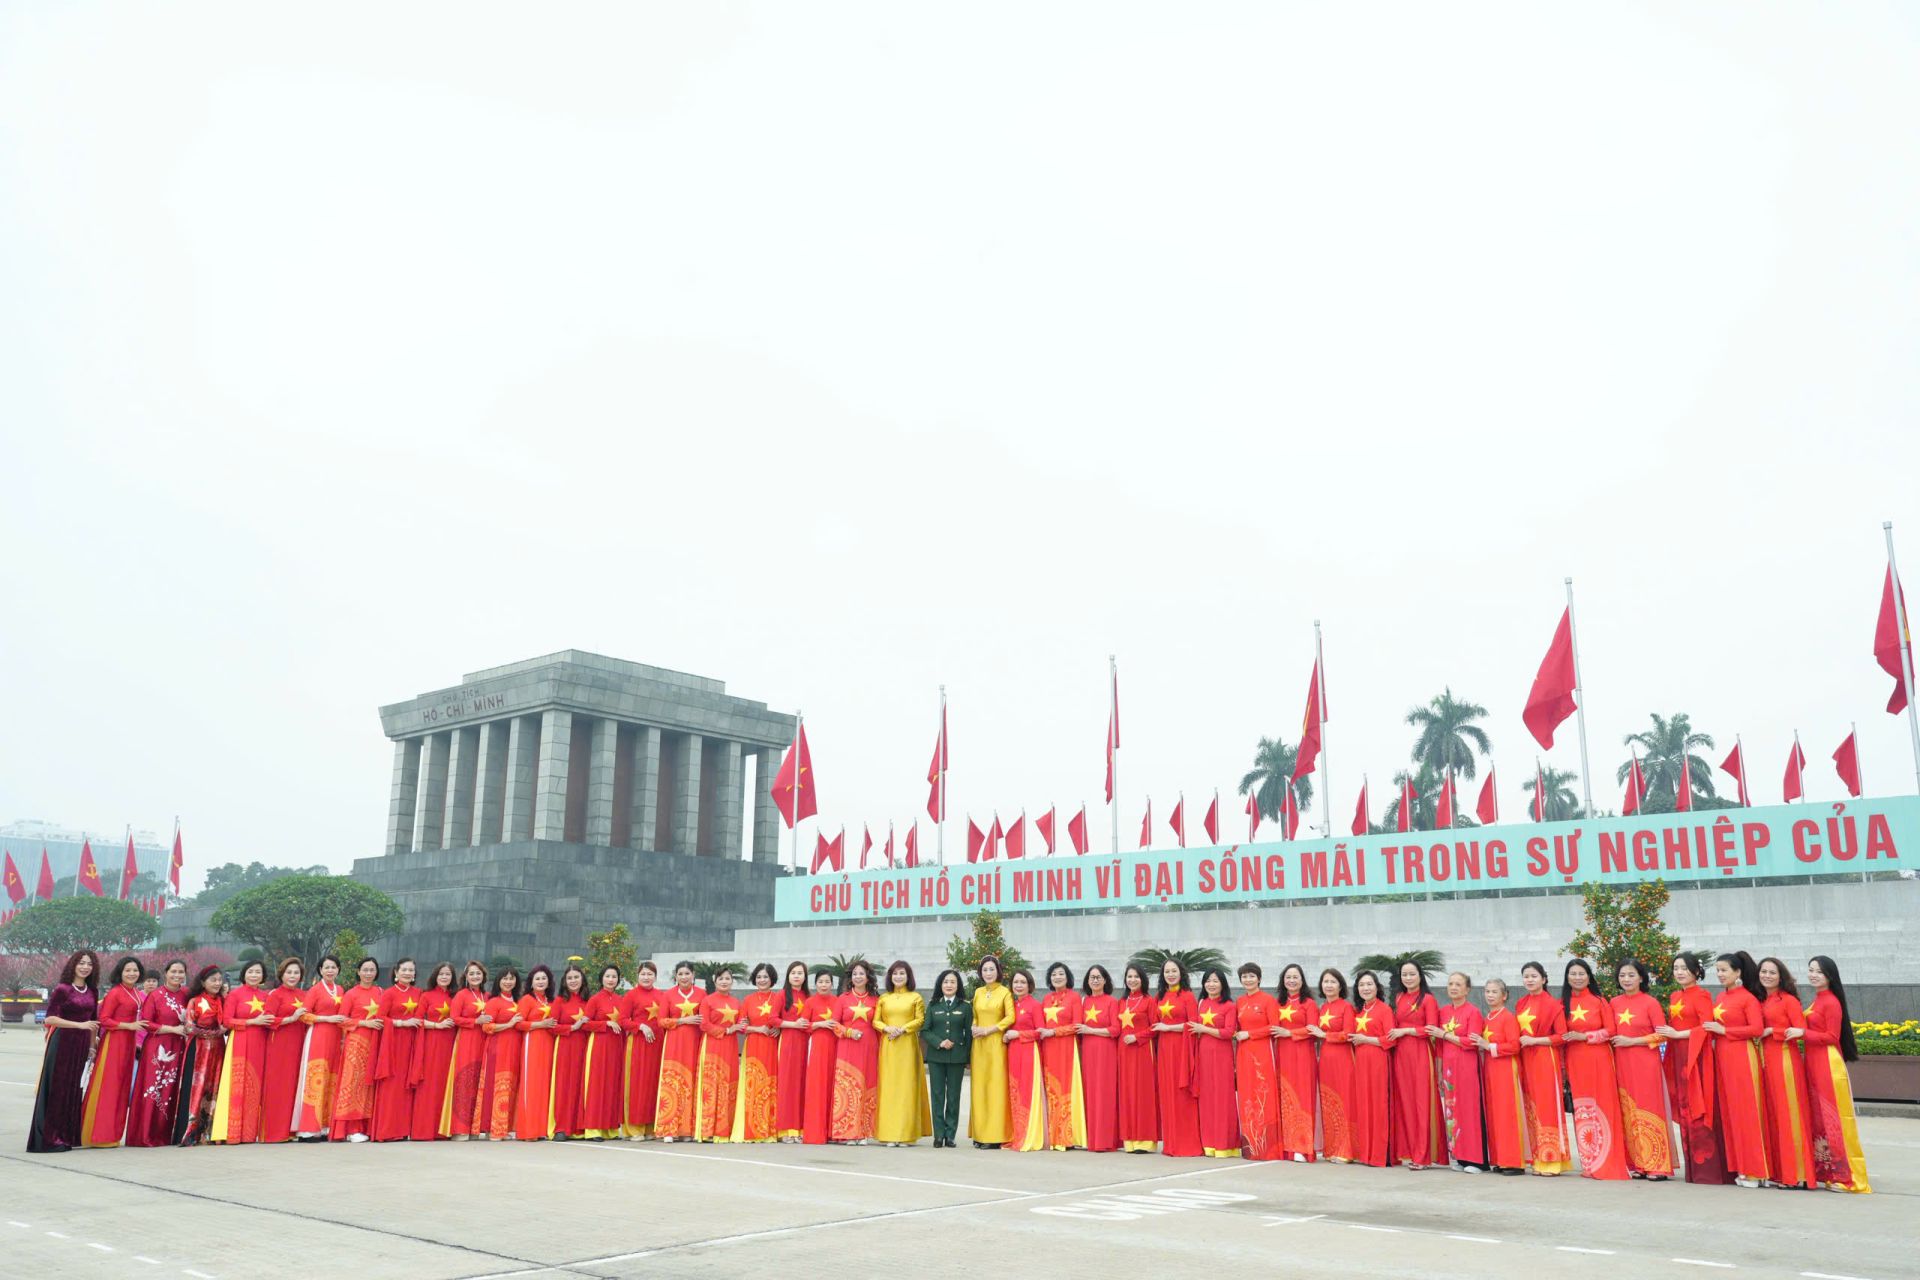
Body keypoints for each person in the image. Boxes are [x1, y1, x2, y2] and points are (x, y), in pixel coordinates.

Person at [1658, 953, 1729, 1184]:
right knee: (1686, 1108)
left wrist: (1679, 1034)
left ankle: (1708, 1170)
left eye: (1684, 968)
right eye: (1675, 968)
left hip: (1696, 1056)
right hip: (1679, 1055)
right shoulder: (1674, 995)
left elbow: (1706, 1027)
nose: (1679, 972)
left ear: (1696, 972)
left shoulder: (1702, 995)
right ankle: (1693, 1171)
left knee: (1700, 1106)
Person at [1803, 956, 1871, 1193]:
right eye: (1810, 970)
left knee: (1836, 1120)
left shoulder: (1830, 1002)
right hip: (1814, 1062)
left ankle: (1848, 1177)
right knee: (1821, 1119)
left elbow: (1831, 1037)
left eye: (1818, 972)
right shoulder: (1818, 999)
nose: (1813, 975)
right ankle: (1830, 1172)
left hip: (1827, 1063)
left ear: (1829, 975)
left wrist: (1801, 1032)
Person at [1705, 951, 1771, 1187]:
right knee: (1732, 1114)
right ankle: (1742, 1166)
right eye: (1718, 970)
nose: (1720, 974)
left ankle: (1756, 1169)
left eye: (1724, 970)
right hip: (1723, 1058)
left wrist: (1724, 1031)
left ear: (1738, 972)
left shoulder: (1747, 998)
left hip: (1742, 1057)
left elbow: (1756, 1028)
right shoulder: (1721, 997)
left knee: (1747, 1112)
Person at [1560, 958, 1628, 1180]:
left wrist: (1585, 1036)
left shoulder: (1599, 1001)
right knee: (1583, 1110)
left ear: (1589, 976)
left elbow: (1610, 1030)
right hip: (1575, 1061)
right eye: (1573, 973)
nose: (1577, 977)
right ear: (1567, 977)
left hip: (1599, 1059)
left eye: (1582, 973)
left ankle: (1607, 1161)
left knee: (1603, 1107)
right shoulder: (1562, 1003)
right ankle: (1589, 1163)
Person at [27, 950, 100, 1153]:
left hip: (82, 1046)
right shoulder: (63, 989)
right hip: (62, 1044)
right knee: (57, 1091)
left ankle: (66, 1136)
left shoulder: (93, 991)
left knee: (73, 1091)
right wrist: (80, 1025)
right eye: (81, 963)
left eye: (89, 964)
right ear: (73, 965)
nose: (85, 967)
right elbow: (50, 1019)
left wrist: (92, 1047)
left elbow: (93, 1024)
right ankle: (49, 1138)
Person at [1608, 959, 1673, 1179]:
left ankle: (1658, 1165)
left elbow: (1662, 1034)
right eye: (1622, 975)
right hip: (1622, 1063)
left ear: (1642, 978)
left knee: (1649, 1108)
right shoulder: (1614, 1003)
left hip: (1646, 1063)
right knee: (1629, 1110)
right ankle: (1638, 1163)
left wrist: (1632, 1041)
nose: (1626, 979)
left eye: (1631, 975)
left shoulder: (1650, 1003)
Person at [1756, 956, 1816, 1190]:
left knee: (1790, 1114)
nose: (1767, 976)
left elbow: (1800, 1030)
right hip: (1766, 1062)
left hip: (1784, 1060)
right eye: (1763, 972)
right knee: (1775, 1117)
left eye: (1772, 972)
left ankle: (1798, 1174)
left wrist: (1772, 1030)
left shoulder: (1788, 1000)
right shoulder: (1762, 1000)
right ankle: (1782, 1172)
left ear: (1781, 976)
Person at [80, 956, 147, 1148]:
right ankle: (99, 1135)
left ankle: (113, 1134)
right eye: (128, 970)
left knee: (122, 1089)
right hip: (114, 1042)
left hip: (128, 1042)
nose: (132, 973)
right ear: (120, 972)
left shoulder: (135, 992)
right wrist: (130, 1025)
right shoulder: (115, 993)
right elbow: (105, 1020)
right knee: (109, 1088)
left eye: (135, 970)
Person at [125, 959, 191, 1148]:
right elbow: (147, 1023)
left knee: (169, 1090)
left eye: (181, 972)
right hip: (157, 1047)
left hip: (178, 1048)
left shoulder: (187, 995)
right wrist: (172, 1029)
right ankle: (144, 1135)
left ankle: (163, 1135)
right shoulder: (156, 995)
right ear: (166, 973)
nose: (177, 975)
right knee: (152, 1089)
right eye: (173, 972)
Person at [1514, 960, 1570, 1175]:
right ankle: (1537, 1157)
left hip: (1545, 1058)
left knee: (1547, 1106)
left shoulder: (1553, 1005)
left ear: (1544, 979)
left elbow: (1561, 1036)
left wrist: (1536, 1041)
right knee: (1531, 1107)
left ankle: (1551, 1160)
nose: (1529, 980)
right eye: (1526, 976)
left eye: (1534, 976)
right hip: (1526, 1059)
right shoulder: (1521, 1003)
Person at [1388, 961, 1445, 1171]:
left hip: (1421, 1054)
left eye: (1412, 974)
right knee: (1407, 1104)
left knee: (1422, 1103)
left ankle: (1423, 1155)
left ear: (1420, 976)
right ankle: (1411, 1151)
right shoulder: (1399, 998)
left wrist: (1406, 1031)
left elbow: (1431, 1029)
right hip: (1401, 1055)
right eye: (1404, 974)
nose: (1408, 978)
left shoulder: (1428, 999)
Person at [1427, 971, 1485, 1172]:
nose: (1453, 987)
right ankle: (1459, 1156)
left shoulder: (1473, 1012)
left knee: (1468, 1110)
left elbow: (1472, 1041)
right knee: (1452, 1111)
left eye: (1458, 984)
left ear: (1467, 989)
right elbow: (1440, 1045)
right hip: (1449, 1070)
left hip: (1467, 1067)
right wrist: (1439, 1067)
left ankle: (1476, 1159)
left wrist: (1445, 1034)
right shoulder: (1443, 1012)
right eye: (1451, 984)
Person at [212, 959, 274, 1144]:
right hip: (240, 1042)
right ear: (244, 974)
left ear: (263, 976)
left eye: (258, 972)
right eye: (251, 972)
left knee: (256, 1085)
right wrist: (252, 1022)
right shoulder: (235, 995)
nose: (254, 975)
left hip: (261, 1044)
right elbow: (227, 1021)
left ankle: (250, 1132)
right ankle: (233, 1132)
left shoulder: (266, 996)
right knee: (238, 1086)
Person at [1471, 978, 1527, 1174]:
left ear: (1504, 995)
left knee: (1507, 1114)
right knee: (1494, 1114)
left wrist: (1488, 1046)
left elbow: (1514, 1046)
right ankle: (1499, 1158)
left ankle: (1514, 1161)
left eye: (1495, 992)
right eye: (1487, 991)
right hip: (1491, 1069)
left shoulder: (1508, 1017)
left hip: (1505, 1069)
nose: (1490, 995)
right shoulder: (1489, 1017)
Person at [874, 960, 931, 1146]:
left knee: (907, 1087)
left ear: (908, 977)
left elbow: (920, 1020)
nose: (898, 977)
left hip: (907, 1045)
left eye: (902, 973)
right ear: (890, 977)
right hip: (889, 1045)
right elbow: (876, 1021)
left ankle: (906, 1134)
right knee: (889, 1087)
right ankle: (889, 1133)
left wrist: (903, 1029)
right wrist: (887, 1028)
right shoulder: (884, 998)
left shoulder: (915, 997)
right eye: (895, 973)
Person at [294, 956, 348, 1140]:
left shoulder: (340, 989)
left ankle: (325, 1126)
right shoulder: (315, 990)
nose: (330, 970)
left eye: (334, 967)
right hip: (318, 1035)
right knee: (316, 1077)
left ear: (338, 970)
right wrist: (326, 1019)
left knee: (332, 1078)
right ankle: (309, 1128)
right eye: (327, 967)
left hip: (335, 1037)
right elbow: (304, 1015)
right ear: (320, 970)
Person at [1231, 962, 1281, 1161]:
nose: (1248, 980)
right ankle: (1251, 1147)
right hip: (1244, 1053)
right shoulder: (1240, 1001)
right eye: (1244, 977)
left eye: (1251, 976)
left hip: (1262, 1052)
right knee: (1246, 1095)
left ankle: (1268, 1148)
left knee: (1264, 1094)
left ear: (1259, 978)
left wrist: (1249, 1034)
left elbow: (1274, 1027)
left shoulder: (1268, 1000)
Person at [1151, 958, 1201, 1157]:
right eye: (1166, 972)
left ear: (1181, 973)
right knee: (1167, 1094)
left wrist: (1169, 1027)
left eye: (1174, 971)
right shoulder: (1160, 997)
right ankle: (1170, 1144)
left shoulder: (1188, 996)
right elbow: (1153, 1024)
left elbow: (1193, 1024)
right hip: (1164, 1049)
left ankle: (1186, 1144)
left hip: (1181, 1048)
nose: (1170, 975)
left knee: (1182, 1095)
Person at [174, 965, 228, 1146]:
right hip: (198, 1049)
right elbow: (190, 1026)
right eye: (213, 980)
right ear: (203, 982)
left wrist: (222, 1031)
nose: (217, 983)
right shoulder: (195, 1001)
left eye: (220, 980)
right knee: (196, 1088)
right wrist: (216, 1032)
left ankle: (210, 1132)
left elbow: (228, 1022)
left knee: (215, 1086)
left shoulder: (223, 1001)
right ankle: (190, 1132)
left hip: (219, 1049)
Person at [330, 957, 383, 1141]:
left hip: (375, 1043)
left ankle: (366, 1126)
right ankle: (351, 1129)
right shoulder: (351, 994)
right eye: (365, 970)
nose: (368, 973)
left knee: (369, 1086)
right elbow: (342, 1020)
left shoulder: (380, 992)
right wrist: (364, 1022)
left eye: (372, 970)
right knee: (353, 1084)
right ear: (358, 972)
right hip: (356, 1042)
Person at [371, 958, 424, 1141]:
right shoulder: (389, 993)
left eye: (411, 970)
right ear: (396, 972)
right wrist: (402, 1022)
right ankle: (386, 1131)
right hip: (393, 1043)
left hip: (412, 1043)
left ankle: (402, 1130)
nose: (408, 973)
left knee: (406, 1087)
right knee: (391, 1086)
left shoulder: (419, 993)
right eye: (404, 970)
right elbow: (380, 1018)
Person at [731, 963, 784, 1143]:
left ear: (772, 979)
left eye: (766, 977)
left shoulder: (779, 998)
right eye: (759, 977)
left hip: (773, 1046)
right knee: (753, 1086)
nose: (762, 980)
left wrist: (780, 1030)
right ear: (755, 978)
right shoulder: (748, 1000)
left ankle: (771, 1130)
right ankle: (752, 1129)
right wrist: (758, 1029)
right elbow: (741, 1025)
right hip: (754, 1045)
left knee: (772, 1086)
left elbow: (784, 1021)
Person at [258, 957, 310, 1144]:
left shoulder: (304, 995)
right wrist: (291, 1018)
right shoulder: (275, 995)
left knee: (294, 1086)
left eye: (296, 973)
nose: (293, 976)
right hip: (279, 1044)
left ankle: (291, 1129)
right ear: (282, 974)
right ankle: (274, 1132)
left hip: (300, 1043)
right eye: (289, 972)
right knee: (278, 1086)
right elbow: (268, 1020)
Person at [1308, 968, 1356, 1163]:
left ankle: (1346, 1151)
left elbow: (1349, 1034)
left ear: (1340, 985)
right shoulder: (1323, 1008)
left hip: (1343, 1058)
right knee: (1328, 1102)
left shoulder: (1346, 1007)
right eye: (1325, 981)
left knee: (1344, 1101)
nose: (1328, 985)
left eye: (1333, 982)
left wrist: (1324, 1035)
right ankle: (1331, 1149)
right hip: (1325, 1059)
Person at [653, 962, 705, 1141]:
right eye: (680, 974)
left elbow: (705, 1018)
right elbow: (661, 1021)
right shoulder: (668, 995)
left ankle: (687, 1130)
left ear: (693, 974)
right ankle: (669, 1129)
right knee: (673, 1082)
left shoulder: (701, 994)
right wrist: (684, 1020)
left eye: (687, 973)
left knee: (691, 1082)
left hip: (695, 1042)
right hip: (674, 1043)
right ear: (676, 976)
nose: (684, 977)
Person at [829, 960, 879, 1143]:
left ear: (868, 977)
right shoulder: (842, 998)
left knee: (867, 1086)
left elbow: (879, 1025)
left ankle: (864, 1132)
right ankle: (848, 1132)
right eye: (855, 974)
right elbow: (834, 1024)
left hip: (869, 1047)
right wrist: (848, 1032)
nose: (858, 977)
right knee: (848, 1087)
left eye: (861, 973)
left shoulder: (876, 1000)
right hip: (847, 1048)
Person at [1273, 963, 1319, 1162]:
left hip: (1302, 1055)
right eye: (1288, 977)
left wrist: (1289, 1033)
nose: (1291, 981)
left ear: (1302, 981)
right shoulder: (1278, 1003)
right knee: (1285, 1099)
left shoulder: (1308, 1003)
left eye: (1295, 977)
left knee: (1302, 1098)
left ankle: (1302, 1146)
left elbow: (1313, 1030)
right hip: (1282, 1054)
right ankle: (1286, 1147)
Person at [1192, 968, 1240, 1159]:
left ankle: (1225, 1145)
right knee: (1207, 1099)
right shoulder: (1201, 1003)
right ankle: (1209, 1143)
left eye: (1215, 981)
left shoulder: (1229, 1005)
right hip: (1203, 1055)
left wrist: (1204, 1028)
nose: (1211, 984)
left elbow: (1229, 1032)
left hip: (1221, 1056)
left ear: (1223, 984)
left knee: (1223, 1098)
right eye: (1208, 981)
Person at [1348, 970, 1394, 1168]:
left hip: (1377, 1061)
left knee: (1378, 1105)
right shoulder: (1358, 1011)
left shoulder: (1384, 1010)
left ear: (1377, 987)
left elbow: (1390, 1039)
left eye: (1369, 984)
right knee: (1363, 1105)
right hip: (1360, 1063)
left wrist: (1366, 1040)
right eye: (1361, 985)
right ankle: (1365, 1153)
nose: (1365, 988)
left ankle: (1379, 1154)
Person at [1038, 962, 1086, 1150]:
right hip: (1049, 1049)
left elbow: (1077, 1025)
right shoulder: (1046, 998)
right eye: (1054, 975)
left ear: (1068, 977)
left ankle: (1068, 1137)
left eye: (1061, 974)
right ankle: (1053, 1136)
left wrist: (1054, 1032)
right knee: (1051, 1090)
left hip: (1066, 1048)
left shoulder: (1074, 997)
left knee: (1067, 1089)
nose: (1057, 977)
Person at [968, 955, 1015, 1148]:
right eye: (985, 970)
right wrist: (974, 1027)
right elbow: (975, 1016)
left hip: (996, 1044)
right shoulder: (978, 992)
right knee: (979, 1088)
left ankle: (995, 1136)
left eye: (991, 969)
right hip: (979, 1045)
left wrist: (990, 1029)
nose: (988, 973)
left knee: (995, 1088)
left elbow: (1010, 1017)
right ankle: (980, 1134)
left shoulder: (1005, 992)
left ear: (998, 971)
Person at [409, 962, 459, 1141]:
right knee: (429, 1085)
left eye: (448, 974)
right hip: (432, 1044)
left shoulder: (456, 997)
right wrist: (437, 1025)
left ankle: (443, 1129)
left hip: (451, 1045)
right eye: (441, 974)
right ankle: (424, 1130)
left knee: (446, 1084)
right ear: (435, 976)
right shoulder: (427, 996)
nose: (445, 977)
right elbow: (418, 1020)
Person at [443, 961, 492, 1139]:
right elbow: (454, 1018)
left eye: (478, 973)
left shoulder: (487, 996)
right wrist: (474, 1022)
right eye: (472, 974)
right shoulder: (461, 995)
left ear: (483, 976)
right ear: (466, 977)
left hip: (484, 1040)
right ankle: (460, 1129)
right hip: (467, 1040)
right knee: (465, 1081)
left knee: (481, 1082)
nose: (475, 977)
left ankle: (476, 1127)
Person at [923, 969, 971, 1148]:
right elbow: (925, 1030)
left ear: (957, 986)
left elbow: (969, 1035)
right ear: (940, 985)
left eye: (952, 982)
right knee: (937, 1096)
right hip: (936, 1057)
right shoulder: (933, 1005)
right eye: (945, 982)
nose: (949, 985)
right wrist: (939, 1042)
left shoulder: (965, 1006)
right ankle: (938, 1135)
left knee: (953, 1097)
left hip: (957, 1058)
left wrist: (968, 1057)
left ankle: (950, 1135)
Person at [617, 961, 665, 1139]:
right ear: (638, 976)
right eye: (643, 974)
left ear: (655, 976)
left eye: (650, 974)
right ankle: (633, 1128)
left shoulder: (661, 995)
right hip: (638, 1045)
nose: (646, 977)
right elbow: (623, 1020)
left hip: (657, 1046)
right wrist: (640, 1027)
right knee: (637, 1085)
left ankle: (650, 1127)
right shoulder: (631, 995)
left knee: (653, 1085)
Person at [1077, 965, 1121, 1153]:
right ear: (1087, 981)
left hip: (1106, 1052)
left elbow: (1115, 1029)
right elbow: (1078, 1028)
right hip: (1088, 1052)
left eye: (1099, 977)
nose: (1095, 980)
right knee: (1090, 1092)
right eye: (1092, 977)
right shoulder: (1083, 1002)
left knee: (1105, 1094)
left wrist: (1092, 1031)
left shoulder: (1112, 1001)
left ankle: (1106, 1139)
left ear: (1105, 980)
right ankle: (1091, 1138)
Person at [1003, 969, 1048, 1151]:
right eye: (1015, 982)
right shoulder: (1010, 1005)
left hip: (1029, 1051)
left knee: (1027, 1092)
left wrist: (1017, 1034)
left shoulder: (1034, 1005)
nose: (1019, 985)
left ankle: (1030, 1135)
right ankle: (1016, 1135)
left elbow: (1040, 1031)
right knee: (1014, 1092)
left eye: (1022, 982)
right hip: (1013, 1052)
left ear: (1029, 985)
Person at [477, 968, 524, 1139]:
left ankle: (505, 1128)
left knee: (511, 1086)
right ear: (498, 981)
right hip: (498, 1047)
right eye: (505, 978)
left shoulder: (519, 1001)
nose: (508, 982)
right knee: (496, 1086)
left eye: (512, 979)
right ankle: (493, 1129)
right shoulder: (494, 1002)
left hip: (516, 1048)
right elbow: (487, 1027)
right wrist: (509, 1024)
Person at [1116, 964, 1159, 1153]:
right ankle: (1130, 1140)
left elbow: (1155, 1027)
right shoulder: (1122, 1001)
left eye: (1136, 976)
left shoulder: (1149, 1001)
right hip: (1124, 1051)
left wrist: (1138, 1037)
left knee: (1143, 1093)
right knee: (1127, 1093)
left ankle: (1145, 1140)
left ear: (1143, 979)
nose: (1132, 980)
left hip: (1142, 1050)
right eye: (1129, 976)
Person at [582, 965, 628, 1139]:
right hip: (599, 1046)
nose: (611, 980)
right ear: (601, 979)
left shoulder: (621, 999)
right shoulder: (594, 999)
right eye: (608, 976)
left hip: (617, 1046)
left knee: (612, 1085)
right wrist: (605, 1024)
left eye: (614, 977)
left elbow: (625, 1021)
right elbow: (585, 1024)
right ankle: (594, 1128)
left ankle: (611, 1129)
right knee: (597, 1085)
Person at [516, 965, 561, 1141]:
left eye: (544, 978)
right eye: (537, 979)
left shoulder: (552, 1000)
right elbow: (519, 1024)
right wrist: (539, 1025)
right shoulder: (527, 1000)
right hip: (532, 1043)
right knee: (531, 1085)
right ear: (531, 982)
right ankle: (528, 1130)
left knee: (545, 1085)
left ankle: (542, 1128)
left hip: (549, 1044)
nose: (541, 982)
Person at [549, 964, 591, 1139]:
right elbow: (552, 1027)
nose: (573, 981)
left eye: (576, 977)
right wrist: (573, 1027)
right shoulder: (559, 1001)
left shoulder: (590, 1001)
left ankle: (580, 1126)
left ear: (582, 979)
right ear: (564, 982)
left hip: (586, 1046)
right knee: (565, 1085)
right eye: (570, 978)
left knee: (582, 1085)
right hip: (566, 1047)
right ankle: (562, 1127)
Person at [775, 961, 813, 1141]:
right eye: (793, 973)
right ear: (788, 976)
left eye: (800, 973)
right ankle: (785, 1130)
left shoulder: (808, 996)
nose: (797, 976)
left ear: (805, 977)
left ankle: (800, 1129)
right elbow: (772, 1019)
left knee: (802, 1084)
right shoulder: (782, 995)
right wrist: (793, 1024)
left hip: (805, 1043)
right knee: (787, 1085)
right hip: (789, 1041)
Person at [802, 969, 839, 1144]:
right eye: (820, 982)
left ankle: (833, 1131)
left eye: (827, 982)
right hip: (816, 1046)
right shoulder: (810, 1002)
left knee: (833, 1086)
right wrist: (820, 1024)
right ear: (815, 984)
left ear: (832, 984)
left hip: (835, 1046)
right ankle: (815, 1132)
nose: (824, 985)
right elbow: (803, 1024)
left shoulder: (838, 1002)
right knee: (817, 1086)